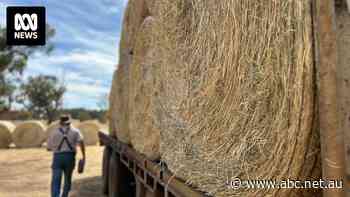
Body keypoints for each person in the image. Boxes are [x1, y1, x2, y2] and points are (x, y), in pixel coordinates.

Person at [47, 115, 86, 197]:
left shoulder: (54, 132)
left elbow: (48, 148)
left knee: (56, 179)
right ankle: (64, 195)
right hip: (70, 157)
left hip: (57, 157)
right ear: (69, 122)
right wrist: (83, 155)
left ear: (60, 123)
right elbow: (81, 142)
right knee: (67, 179)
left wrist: (57, 146)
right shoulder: (75, 131)